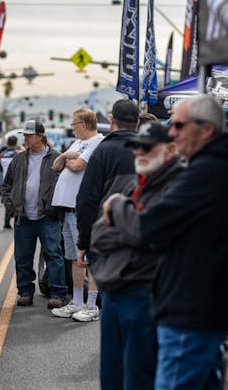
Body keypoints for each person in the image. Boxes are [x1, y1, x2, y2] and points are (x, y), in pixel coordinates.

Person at [135, 95, 228, 390]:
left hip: (191, 312)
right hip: (202, 308)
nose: (171, 132)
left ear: (206, 129)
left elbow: (149, 226)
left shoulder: (208, 170)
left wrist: (118, 208)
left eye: (178, 125)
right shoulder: (217, 166)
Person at [90, 122, 186, 389]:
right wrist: (130, 227)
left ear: (170, 150)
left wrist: (118, 208)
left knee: (138, 379)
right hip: (115, 296)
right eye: (136, 147)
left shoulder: (178, 184)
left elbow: (146, 232)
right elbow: (99, 235)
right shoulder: (137, 183)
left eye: (147, 147)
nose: (140, 152)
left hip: (145, 296)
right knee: (112, 378)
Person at [0, 120, 67, 308]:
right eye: (25, 135)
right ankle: (25, 292)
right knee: (23, 256)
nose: (25, 138)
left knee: (54, 255)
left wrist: (57, 209)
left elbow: (66, 185)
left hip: (48, 217)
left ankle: (58, 293)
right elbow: (6, 186)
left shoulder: (57, 158)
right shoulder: (19, 159)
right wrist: (11, 207)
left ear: (40, 136)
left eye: (29, 135)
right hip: (23, 218)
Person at [49, 107, 104, 322]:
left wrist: (68, 161)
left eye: (73, 124)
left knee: (88, 257)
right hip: (68, 209)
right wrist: (65, 156)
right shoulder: (77, 143)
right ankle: (78, 301)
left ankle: (91, 305)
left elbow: (78, 166)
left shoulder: (96, 142)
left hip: (82, 209)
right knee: (74, 258)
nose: (72, 128)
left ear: (83, 125)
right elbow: (56, 166)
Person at [75, 99, 139, 274]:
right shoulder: (153, 151)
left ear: (111, 120)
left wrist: (83, 243)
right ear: (138, 122)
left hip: (108, 238)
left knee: (107, 287)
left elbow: (86, 199)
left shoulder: (103, 152)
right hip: (144, 237)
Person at [0, 135, 21, 229]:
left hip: (5, 178)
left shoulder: (2, 154)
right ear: (16, 143)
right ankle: (16, 219)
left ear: (7, 143)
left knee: (7, 200)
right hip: (16, 179)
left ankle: (6, 221)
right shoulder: (18, 153)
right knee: (17, 199)